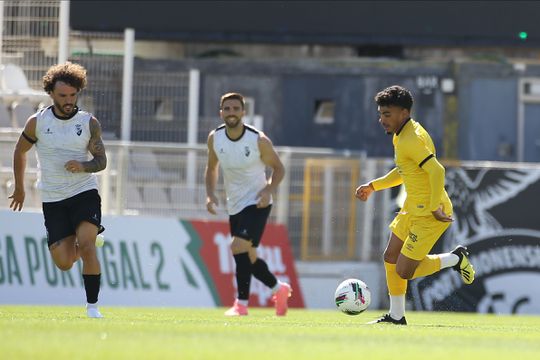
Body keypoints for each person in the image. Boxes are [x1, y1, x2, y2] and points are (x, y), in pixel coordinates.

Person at [355, 85, 475, 325]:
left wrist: (433, 207)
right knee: (390, 257)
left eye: (387, 114)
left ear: (403, 112)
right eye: (380, 114)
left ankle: (455, 259)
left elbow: (437, 170)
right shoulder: (403, 134)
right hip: (412, 207)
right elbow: (405, 170)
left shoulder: (411, 138)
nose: (381, 120)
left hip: (430, 212)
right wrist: (373, 186)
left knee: (404, 271)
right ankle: (396, 316)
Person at [9, 62, 107, 318]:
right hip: (53, 198)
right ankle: (85, 236)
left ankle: (93, 307)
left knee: (87, 247)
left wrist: (83, 165)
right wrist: (20, 188)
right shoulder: (37, 122)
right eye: (62, 95)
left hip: (84, 192)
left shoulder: (89, 122)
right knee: (64, 263)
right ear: (51, 93)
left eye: (73, 95)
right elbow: (20, 151)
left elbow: (101, 162)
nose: (68, 100)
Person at [205, 92, 292, 316]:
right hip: (234, 204)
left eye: (235, 109)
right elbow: (212, 167)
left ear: (243, 112)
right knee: (249, 256)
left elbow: (279, 168)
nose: (231, 113)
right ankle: (278, 289)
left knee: (237, 247)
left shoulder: (258, 140)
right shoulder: (215, 138)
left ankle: (241, 304)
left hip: (257, 203)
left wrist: (268, 190)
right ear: (221, 112)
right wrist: (210, 194)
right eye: (227, 109)